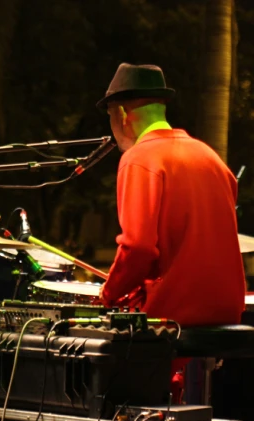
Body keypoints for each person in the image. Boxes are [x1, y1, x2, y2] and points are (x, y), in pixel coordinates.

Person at [97, 63, 245, 326]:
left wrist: (108, 295)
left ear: (120, 113)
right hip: (228, 309)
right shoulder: (212, 158)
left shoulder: (139, 158)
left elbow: (138, 248)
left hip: (173, 315)